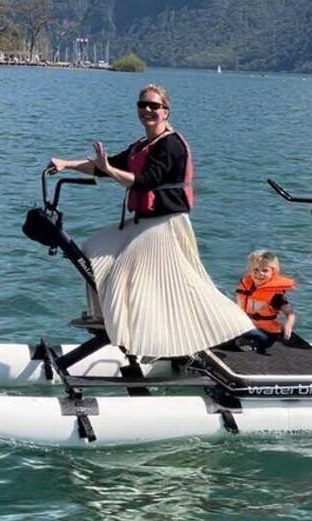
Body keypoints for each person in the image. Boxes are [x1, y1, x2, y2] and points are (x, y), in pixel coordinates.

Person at [48, 84, 253, 357]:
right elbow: (105, 166)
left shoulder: (172, 145)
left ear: (166, 111)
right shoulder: (141, 145)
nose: (147, 110)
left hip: (165, 224)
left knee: (166, 282)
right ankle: (104, 319)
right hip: (143, 223)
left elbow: (145, 182)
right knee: (93, 247)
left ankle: (238, 327)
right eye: (142, 104)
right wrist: (67, 163)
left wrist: (109, 168)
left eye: (154, 106)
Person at [234, 250, 297, 352]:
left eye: (265, 270)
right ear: (250, 271)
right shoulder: (246, 287)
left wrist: (288, 326)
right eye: (256, 270)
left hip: (266, 332)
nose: (260, 274)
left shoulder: (275, 296)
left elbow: (290, 313)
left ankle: (249, 343)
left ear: (273, 272)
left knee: (256, 335)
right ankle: (243, 341)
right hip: (246, 325)